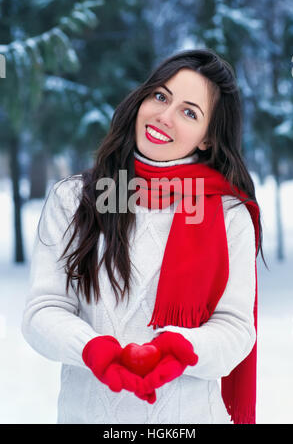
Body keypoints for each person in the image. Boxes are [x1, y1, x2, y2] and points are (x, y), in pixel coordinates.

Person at [22, 48, 266, 425]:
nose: (164, 117)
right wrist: (92, 349)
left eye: (189, 112)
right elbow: (43, 311)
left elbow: (235, 329)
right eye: (160, 96)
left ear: (206, 138)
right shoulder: (74, 199)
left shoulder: (230, 215)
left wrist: (180, 349)